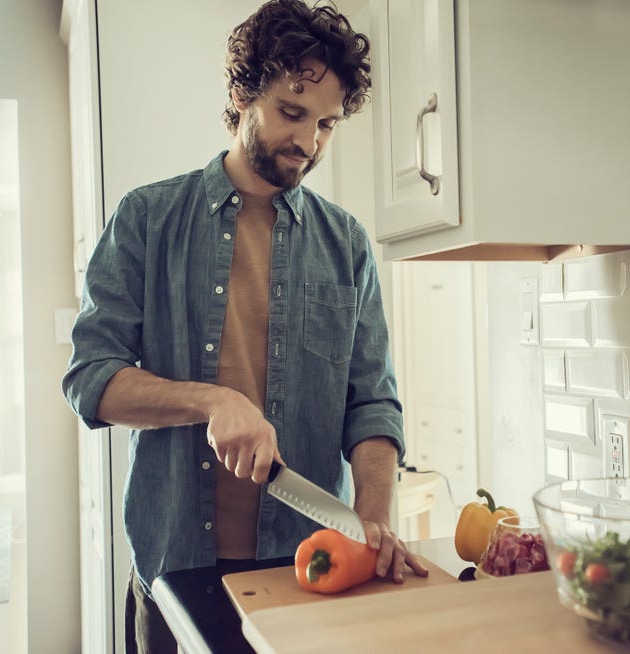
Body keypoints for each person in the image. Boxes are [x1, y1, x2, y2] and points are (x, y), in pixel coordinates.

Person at [62, 0, 428, 651]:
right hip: (174, 566)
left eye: (327, 124)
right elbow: (91, 380)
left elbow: (372, 403)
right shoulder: (146, 219)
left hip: (306, 568)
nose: (309, 143)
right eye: (292, 113)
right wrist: (213, 401)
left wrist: (369, 525)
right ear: (242, 93)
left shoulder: (346, 243)